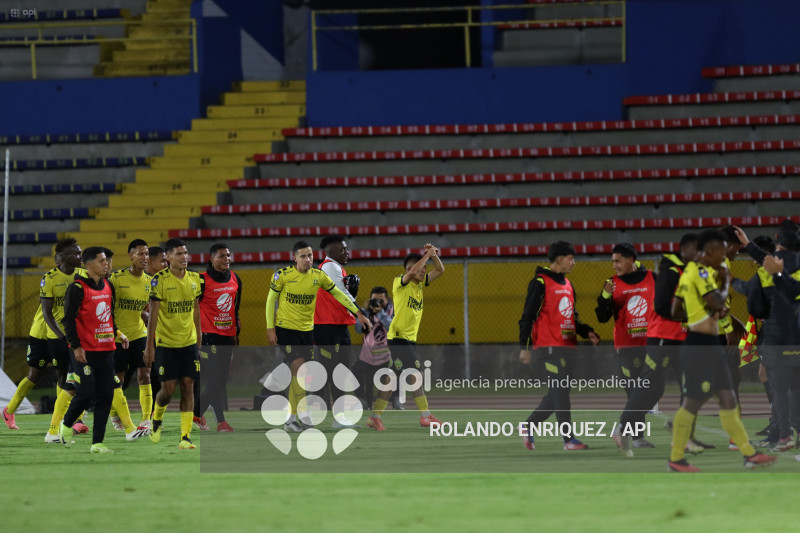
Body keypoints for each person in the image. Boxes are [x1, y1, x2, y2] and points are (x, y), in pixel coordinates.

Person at [667, 229, 776, 472]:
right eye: (720, 251)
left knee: (728, 398)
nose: (724, 255)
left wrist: (698, 315)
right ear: (710, 252)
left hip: (704, 342)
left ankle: (749, 454)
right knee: (693, 402)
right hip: (700, 346)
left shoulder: (689, 273)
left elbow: (675, 311)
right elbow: (717, 302)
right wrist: (726, 281)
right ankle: (676, 458)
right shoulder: (702, 272)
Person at [266, 241, 371, 432]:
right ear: (294, 258)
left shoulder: (318, 275)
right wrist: (270, 328)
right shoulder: (283, 275)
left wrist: (359, 313)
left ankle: (293, 418)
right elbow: (270, 300)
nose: (308, 259)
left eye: (310, 256)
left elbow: (339, 294)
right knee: (299, 371)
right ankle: (293, 418)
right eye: (303, 256)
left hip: (307, 330)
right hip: (286, 329)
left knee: (303, 375)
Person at [518, 241, 600, 451]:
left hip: (568, 346)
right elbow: (527, 316)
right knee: (560, 392)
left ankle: (529, 425)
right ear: (560, 259)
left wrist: (586, 332)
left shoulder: (568, 285)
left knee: (558, 393)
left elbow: (572, 316)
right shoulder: (539, 282)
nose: (574, 263)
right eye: (571, 258)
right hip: (549, 347)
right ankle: (569, 440)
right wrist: (525, 346)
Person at [58, 247, 132, 453]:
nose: (106, 264)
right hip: (86, 352)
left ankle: (97, 443)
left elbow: (108, 316)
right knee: (86, 393)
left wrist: (119, 333)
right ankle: (64, 427)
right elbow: (68, 320)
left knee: (106, 395)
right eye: (101, 261)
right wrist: (76, 347)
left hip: (107, 350)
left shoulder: (108, 285)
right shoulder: (77, 288)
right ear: (89, 265)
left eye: (106, 260)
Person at [366, 244, 445, 431]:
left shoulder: (420, 285)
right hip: (399, 339)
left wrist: (433, 256)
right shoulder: (399, 283)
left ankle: (375, 417)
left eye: (424, 268)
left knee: (392, 378)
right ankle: (425, 416)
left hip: (408, 339)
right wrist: (427, 255)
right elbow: (414, 271)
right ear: (409, 270)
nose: (423, 271)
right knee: (416, 374)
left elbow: (440, 269)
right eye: (418, 268)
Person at [735, 224, 800, 453]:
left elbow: (756, 306)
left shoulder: (766, 272)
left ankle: (782, 435)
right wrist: (750, 246)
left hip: (775, 338)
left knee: (780, 389)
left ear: (778, 245)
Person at [594, 243, 656, 454]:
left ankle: (626, 430)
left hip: (650, 345)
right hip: (627, 347)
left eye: (618, 261)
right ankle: (637, 437)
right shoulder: (611, 284)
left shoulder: (652, 278)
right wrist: (604, 296)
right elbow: (602, 317)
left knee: (653, 387)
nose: (614, 266)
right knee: (633, 391)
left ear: (631, 259)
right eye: (613, 261)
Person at [144, 238, 203, 449]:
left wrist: (199, 337)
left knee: (188, 386)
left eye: (185, 253)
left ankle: (185, 437)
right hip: (166, 344)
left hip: (188, 343)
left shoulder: (196, 279)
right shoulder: (159, 280)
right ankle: (157, 418)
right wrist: (149, 346)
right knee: (167, 390)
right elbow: (153, 315)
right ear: (168, 258)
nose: (184, 257)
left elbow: (196, 309)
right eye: (179, 253)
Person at [39, 239, 90, 441]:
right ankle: (62, 422)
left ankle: (73, 419)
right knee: (64, 377)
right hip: (59, 337)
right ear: (62, 258)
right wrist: (61, 335)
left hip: (81, 337)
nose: (80, 256)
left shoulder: (84, 275)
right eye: (75, 253)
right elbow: (47, 312)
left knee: (79, 378)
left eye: (80, 252)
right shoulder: (50, 278)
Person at [108, 239, 155, 435]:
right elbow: (106, 308)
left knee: (145, 375)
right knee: (117, 380)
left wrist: (146, 315)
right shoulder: (116, 279)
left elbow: (147, 308)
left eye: (147, 254)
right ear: (131, 256)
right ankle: (114, 415)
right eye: (140, 254)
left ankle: (146, 419)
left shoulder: (150, 282)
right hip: (117, 337)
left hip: (139, 336)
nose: (145, 258)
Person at [194, 243, 242, 433]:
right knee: (215, 379)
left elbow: (235, 308)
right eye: (221, 256)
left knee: (221, 380)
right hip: (208, 337)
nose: (226, 259)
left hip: (227, 337)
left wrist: (236, 333)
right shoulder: (201, 280)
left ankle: (198, 414)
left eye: (228, 255)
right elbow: (193, 309)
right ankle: (219, 421)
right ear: (212, 259)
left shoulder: (236, 278)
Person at [313, 235, 360, 409]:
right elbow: (342, 295)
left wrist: (352, 294)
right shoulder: (331, 266)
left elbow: (339, 299)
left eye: (346, 249)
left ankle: (333, 412)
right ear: (330, 252)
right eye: (342, 249)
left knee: (337, 370)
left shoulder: (334, 267)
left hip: (336, 325)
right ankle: (326, 410)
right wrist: (361, 313)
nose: (347, 252)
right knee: (333, 370)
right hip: (329, 326)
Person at [353, 287, 394, 409]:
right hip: (368, 356)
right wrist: (364, 312)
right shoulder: (365, 312)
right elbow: (358, 329)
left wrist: (380, 312)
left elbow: (391, 327)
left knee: (396, 371)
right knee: (355, 371)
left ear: (387, 300)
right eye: (374, 300)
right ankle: (362, 400)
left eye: (381, 300)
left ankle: (395, 401)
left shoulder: (392, 311)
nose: (378, 303)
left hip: (386, 356)